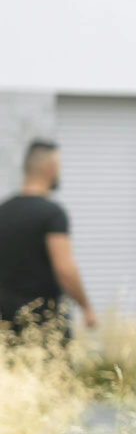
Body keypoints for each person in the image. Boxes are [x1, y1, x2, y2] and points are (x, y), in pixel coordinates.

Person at [0, 140, 97, 342]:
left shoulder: (3, 211)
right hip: (44, 322)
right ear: (49, 170)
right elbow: (65, 270)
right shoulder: (52, 214)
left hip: (5, 321)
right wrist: (86, 307)